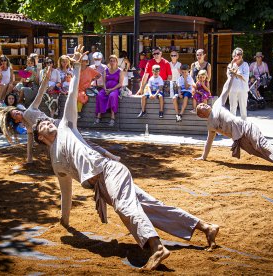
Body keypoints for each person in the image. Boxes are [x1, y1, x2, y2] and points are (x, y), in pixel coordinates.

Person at [33, 45, 220, 271]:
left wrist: (75, 65)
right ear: (41, 138)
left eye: (46, 120)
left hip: (109, 170)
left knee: (124, 207)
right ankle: (205, 227)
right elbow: (66, 192)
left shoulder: (66, 124)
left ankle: (156, 247)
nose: (47, 122)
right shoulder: (56, 162)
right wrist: (64, 221)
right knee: (151, 207)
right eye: (42, 125)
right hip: (100, 185)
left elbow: (73, 95)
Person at [195, 74, 273, 175]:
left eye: (203, 104)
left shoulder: (217, 105)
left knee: (262, 145)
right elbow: (209, 141)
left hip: (246, 128)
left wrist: (230, 76)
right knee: (263, 148)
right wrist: (203, 157)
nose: (203, 105)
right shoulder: (210, 125)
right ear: (202, 115)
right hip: (240, 139)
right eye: (201, 107)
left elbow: (225, 90)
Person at [94, 55, 123, 126]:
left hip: (115, 89)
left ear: (116, 62)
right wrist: (105, 89)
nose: (112, 62)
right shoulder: (106, 70)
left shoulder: (120, 71)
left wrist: (111, 90)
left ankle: (112, 118)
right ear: (109, 62)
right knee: (99, 95)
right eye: (111, 61)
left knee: (112, 96)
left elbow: (120, 84)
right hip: (106, 88)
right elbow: (104, 82)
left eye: (114, 61)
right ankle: (99, 116)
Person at [227, 47, 249, 120]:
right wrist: (232, 65)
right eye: (237, 54)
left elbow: (245, 78)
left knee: (243, 109)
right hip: (233, 89)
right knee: (232, 108)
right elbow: (229, 76)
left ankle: (244, 125)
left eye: (241, 54)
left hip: (243, 89)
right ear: (234, 55)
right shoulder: (230, 65)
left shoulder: (245, 65)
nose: (239, 56)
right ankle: (232, 125)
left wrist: (235, 73)